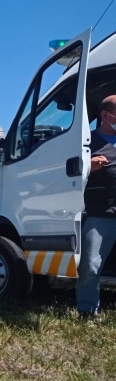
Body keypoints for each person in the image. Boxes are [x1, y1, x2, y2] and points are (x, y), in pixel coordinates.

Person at [76, 95, 116, 318]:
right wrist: (88, 166)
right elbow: (67, 169)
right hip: (101, 215)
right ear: (105, 115)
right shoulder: (85, 142)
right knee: (90, 266)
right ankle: (87, 311)